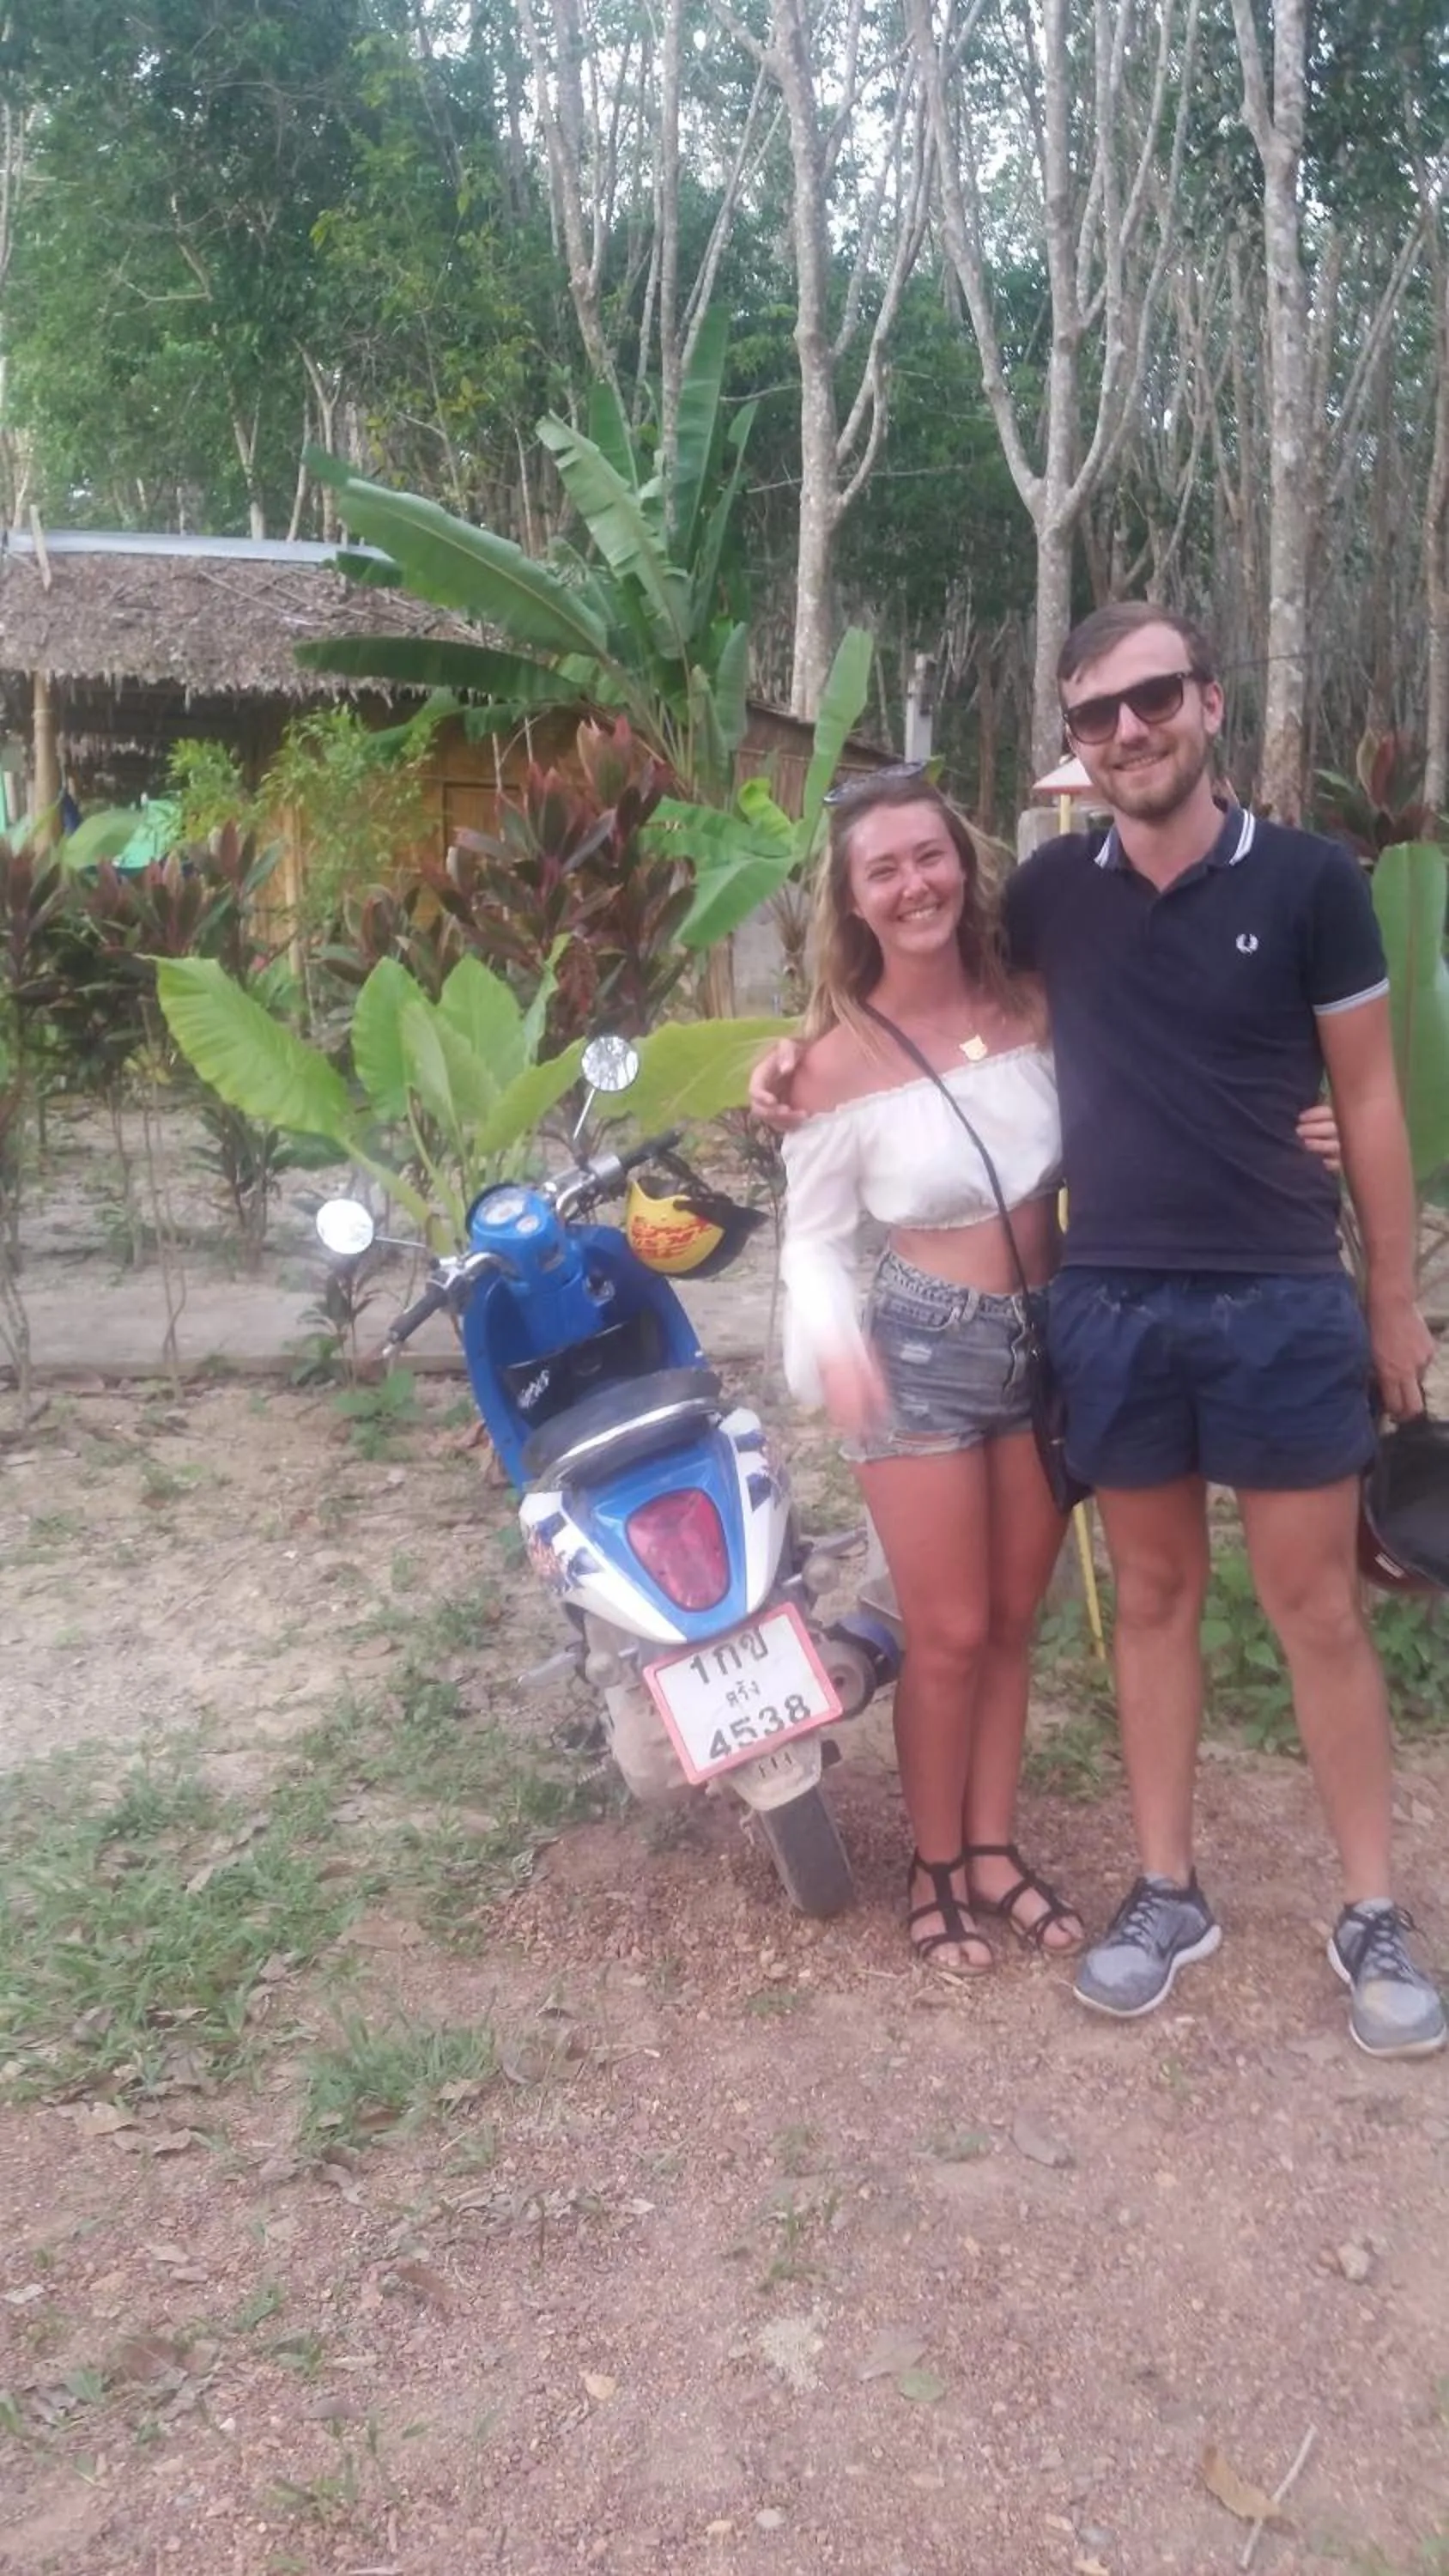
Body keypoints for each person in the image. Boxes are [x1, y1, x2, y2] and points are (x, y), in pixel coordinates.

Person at [756, 605, 1446, 2059]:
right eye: (1096, 717)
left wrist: (1394, 1296)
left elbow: (1369, 1097)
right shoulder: (1054, 899)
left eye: (1152, 701)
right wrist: (782, 1066)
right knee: (1147, 1600)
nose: (1128, 733)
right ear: (1072, 742)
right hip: (1109, 1306)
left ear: (1207, 701)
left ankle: (1374, 1909)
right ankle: (1166, 1887)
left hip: (1273, 1293)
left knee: (1314, 1606)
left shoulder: (1317, 881)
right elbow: (907, 981)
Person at [771, 760, 1338, 1981]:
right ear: (853, 899)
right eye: (885, 869)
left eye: (931, 857)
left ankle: (990, 1848)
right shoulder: (827, 1064)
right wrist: (830, 1357)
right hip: (921, 1344)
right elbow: (810, 1244)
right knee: (950, 1630)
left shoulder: (1037, 1001)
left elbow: (1180, 1066)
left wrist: (1321, 1107)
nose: (915, 883)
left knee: (1017, 1624)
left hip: (1057, 1332)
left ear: (963, 865)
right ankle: (932, 1870)